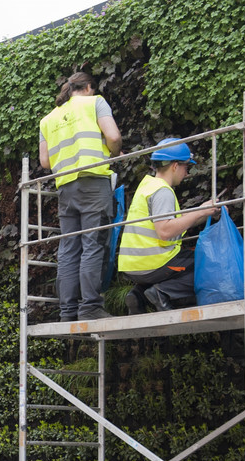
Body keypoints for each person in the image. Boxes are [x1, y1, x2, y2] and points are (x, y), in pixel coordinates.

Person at [39, 72, 122, 321]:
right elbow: (114, 137)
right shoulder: (95, 102)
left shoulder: (48, 119)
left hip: (65, 188)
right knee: (93, 244)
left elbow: (45, 162)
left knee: (69, 249)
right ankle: (90, 308)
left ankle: (67, 311)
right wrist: (114, 152)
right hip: (93, 181)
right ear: (88, 87)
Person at [118, 138, 217, 313]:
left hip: (133, 265)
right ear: (175, 166)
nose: (186, 173)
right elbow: (165, 231)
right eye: (186, 167)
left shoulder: (147, 186)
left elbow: (172, 223)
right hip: (152, 263)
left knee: (185, 260)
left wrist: (202, 211)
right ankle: (161, 293)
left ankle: (138, 295)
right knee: (206, 262)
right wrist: (200, 212)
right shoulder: (162, 191)